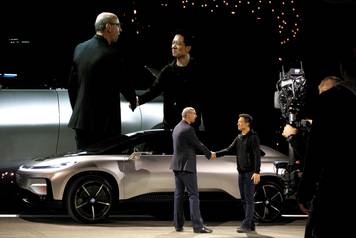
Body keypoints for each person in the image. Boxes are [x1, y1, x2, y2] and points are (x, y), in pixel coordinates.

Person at [297, 54, 356, 237]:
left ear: (343, 71)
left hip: (336, 190)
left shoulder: (332, 100)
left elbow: (317, 151)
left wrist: (304, 191)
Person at [68, 12, 137, 150]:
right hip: (103, 124)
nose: (120, 30)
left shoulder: (80, 48)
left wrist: (78, 110)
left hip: (80, 122)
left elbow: (72, 85)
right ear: (109, 27)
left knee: (84, 165)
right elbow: (123, 83)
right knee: (103, 164)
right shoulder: (111, 54)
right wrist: (133, 100)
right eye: (118, 26)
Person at [137, 29, 204, 130]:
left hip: (190, 126)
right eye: (173, 43)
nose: (173, 46)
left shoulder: (198, 70)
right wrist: (137, 101)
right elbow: (154, 90)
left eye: (177, 44)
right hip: (171, 125)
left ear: (188, 48)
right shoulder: (168, 71)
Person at [170, 107, 216, 233]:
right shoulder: (188, 129)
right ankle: (198, 226)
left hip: (176, 166)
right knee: (193, 195)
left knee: (178, 196)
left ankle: (178, 225)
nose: (196, 116)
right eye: (195, 114)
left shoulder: (177, 127)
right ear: (188, 115)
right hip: (186, 167)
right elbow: (198, 144)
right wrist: (209, 154)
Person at [216, 113, 261, 233]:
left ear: (247, 123)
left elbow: (257, 156)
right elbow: (229, 149)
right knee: (244, 199)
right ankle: (250, 224)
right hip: (241, 173)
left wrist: (257, 172)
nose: (238, 123)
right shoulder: (239, 137)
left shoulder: (253, 137)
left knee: (249, 199)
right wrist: (215, 154)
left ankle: (246, 224)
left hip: (250, 173)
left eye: (240, 121)